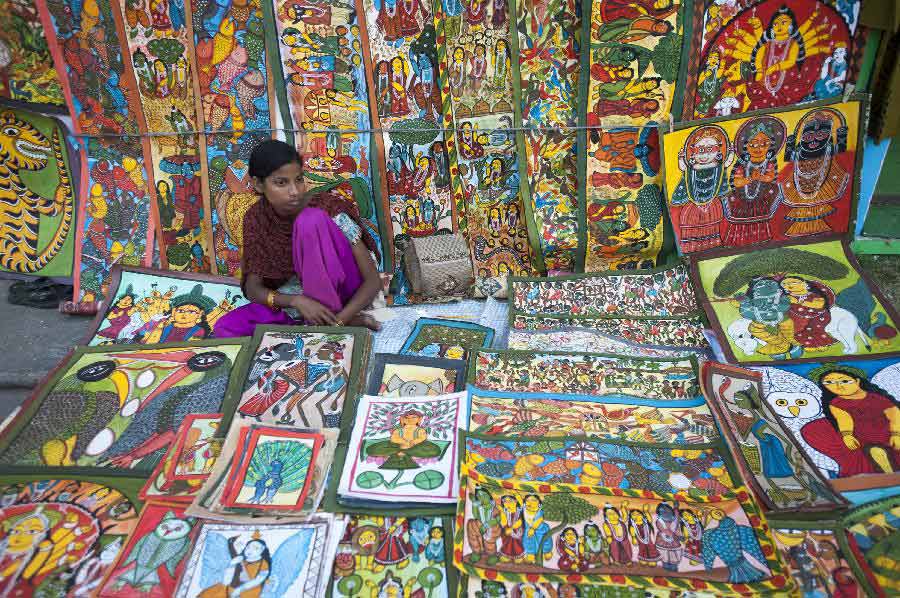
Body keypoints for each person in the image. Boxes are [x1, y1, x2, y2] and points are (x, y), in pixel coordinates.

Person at [213, 141, 383, 338]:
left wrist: (339, 323)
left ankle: (330, 322)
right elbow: (253, 288)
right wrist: (296, 301)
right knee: (226, 327)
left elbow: (372, 281)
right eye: (281, 183)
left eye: (299, 179)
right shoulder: (256, 219)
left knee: (309, 221)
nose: (294, 191)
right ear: (258, 184)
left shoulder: (326, 209)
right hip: (300, 300)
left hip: (345, 295)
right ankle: (311, 324)